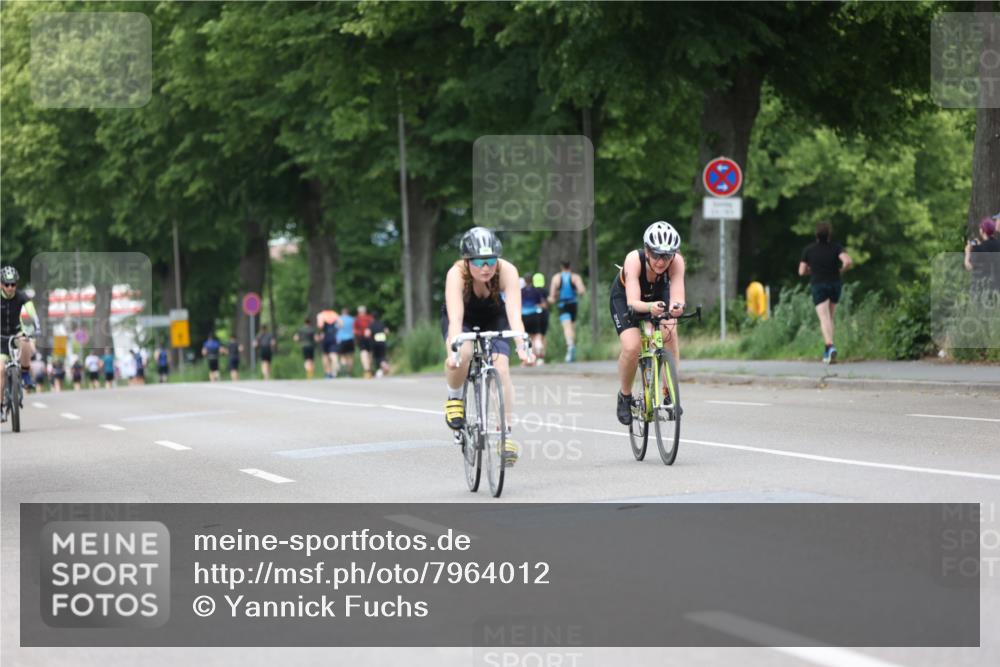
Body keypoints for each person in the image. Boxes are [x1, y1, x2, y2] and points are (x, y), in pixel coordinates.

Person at [442, 227, 531, 465]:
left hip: (494, 316)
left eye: (491, 260)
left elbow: (514, 313)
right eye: (479, 262)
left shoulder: (507, 271)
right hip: (465, 318)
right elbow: (456, 319)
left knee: (501, 368)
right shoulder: (457, 274)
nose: (486, 267)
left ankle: (506, 435)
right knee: (465, 350)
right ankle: (454, 398)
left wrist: (522, 346)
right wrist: (454, 351)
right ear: (467, 260)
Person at [610, 221, 687, 425]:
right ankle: (625, 396)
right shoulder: (634, 260)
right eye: (656, 255)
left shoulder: (677, 262)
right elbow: (634, 303)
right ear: (646, 250)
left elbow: (678, 296)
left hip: (658, 293)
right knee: (632, 346)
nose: (661, 262)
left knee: (670, 328)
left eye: (667, 256)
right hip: (627, 297)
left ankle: (669, 393)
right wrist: (651, 307)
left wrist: (677, 307)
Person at [799, 221, 852, 364]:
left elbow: (801, 271)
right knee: (829, 318)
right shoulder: (836, 247)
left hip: (819, 284)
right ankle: (828, 351)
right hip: (835, 284)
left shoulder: (808, 250)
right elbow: (847, 261)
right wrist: (842, 270)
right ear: (829, 235)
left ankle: (830, 346)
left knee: (824, 318)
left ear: (816, 235)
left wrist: (812, 270)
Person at [0, 266, 40, 409]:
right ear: (1, 284)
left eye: (13, 284)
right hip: (0, 337)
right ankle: (0, 406)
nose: (10, 287)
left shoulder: (21, 295)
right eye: (6, 284)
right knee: (1, 369)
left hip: (16, 332)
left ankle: (25, 373)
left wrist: (37, 326)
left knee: (25, 341)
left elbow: (32, 312)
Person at [548, 260, 586, 362]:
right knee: (572, 327)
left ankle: (570, 347)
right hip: (573, 304)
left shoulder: (556, 278)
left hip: (563, 304)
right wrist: (575, 291)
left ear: (561, 267)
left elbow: (552, 297)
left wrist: (552, 298)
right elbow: (582, 291)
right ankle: (572, 348)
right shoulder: (575, 277)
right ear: (570, 266)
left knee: (567, 327)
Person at [965, 217, 1000, 294]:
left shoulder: (978, 248)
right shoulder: (998, 244)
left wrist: (967, 252)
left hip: (983, 288)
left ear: (982, 230)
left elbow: (969, 267)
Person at [521, 272, 549, 366]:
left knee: (527, 338)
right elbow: (544, 305)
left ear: (524, 281)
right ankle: (540, 357)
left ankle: (528, 359)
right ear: (532, 280)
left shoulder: (521, 291)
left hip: (524, 316)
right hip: (534, 315)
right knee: (537, 336)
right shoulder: (536, 291)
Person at [317, 308, 339, 378]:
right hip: (333, 337)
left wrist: (320, 333)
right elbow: (341, 324)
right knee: (333, 354)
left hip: (325, 337)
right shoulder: (334, 314)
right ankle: (334, 371)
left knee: (325, 355)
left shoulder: (321, 315)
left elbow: (320, 326)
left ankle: (327, 372)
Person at [367, 311, 391, 377]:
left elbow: (367, 333)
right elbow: (387, 332)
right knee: (382, 356)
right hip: (382, 343)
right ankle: (382, 369)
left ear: (372, 317)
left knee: (377, 358)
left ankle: (385, 367)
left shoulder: (371, 325)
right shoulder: (382, 323)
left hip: (375, 344)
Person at [354, 305, 375, 378]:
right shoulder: (370, 318)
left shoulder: (357, 319)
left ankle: (366, 370)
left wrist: (356, 338)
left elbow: (355, 330)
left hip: (361, 337)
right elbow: (373, 326)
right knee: (370, 353)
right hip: (370, 337)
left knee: (363, 353)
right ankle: (370, 368)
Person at [336, 307, 355, 377]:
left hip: (342, 340)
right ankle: (349, 373)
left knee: (341, 356)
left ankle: (341, 366)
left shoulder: (339, 319)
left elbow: (337, 328)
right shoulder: (352, 319)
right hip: (350, 339)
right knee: (350, 357)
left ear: (342, 312)